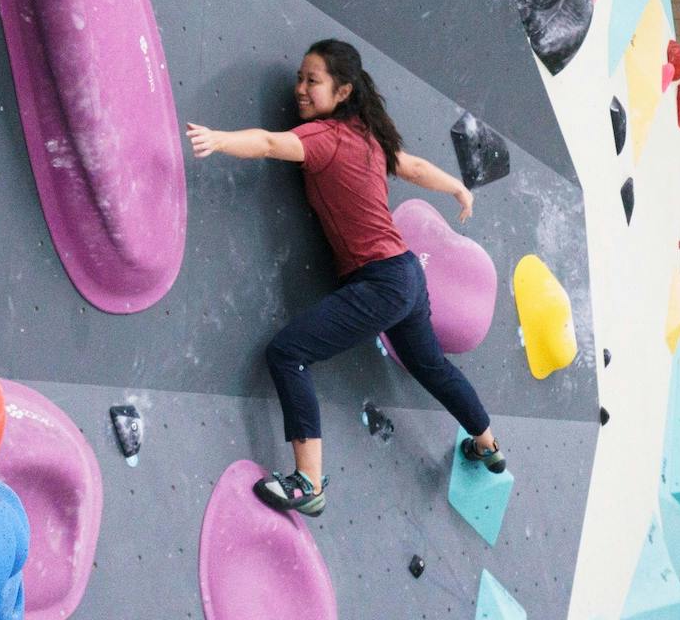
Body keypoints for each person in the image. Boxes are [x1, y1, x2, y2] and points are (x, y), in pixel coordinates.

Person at [184, 38, 505, 518]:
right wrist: (456, 186)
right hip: (406, 275)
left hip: (382, 281)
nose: (301, 89)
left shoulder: (327, 137)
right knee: (431, 366)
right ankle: (487, 443)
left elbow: (272, 143)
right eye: (300, 79)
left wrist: (219, 139)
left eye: (313, 81)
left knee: (288, 353)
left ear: (343, 90)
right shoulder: (366, 137)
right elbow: (412, 166)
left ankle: (308, 482)